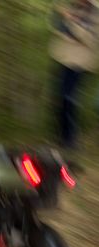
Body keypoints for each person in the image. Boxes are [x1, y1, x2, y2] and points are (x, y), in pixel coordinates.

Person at [50, 0, 99, 149]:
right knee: (59, 98)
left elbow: (91, 38)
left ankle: (70, 140)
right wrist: (63, 22)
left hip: (80, 62)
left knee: (68, 98)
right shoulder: (74, 7)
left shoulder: (95, 12)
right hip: (64, 58)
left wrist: (72, 21)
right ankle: (63, 138)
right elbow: (57, 26)